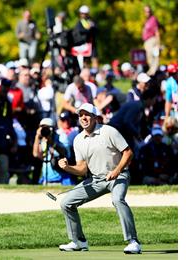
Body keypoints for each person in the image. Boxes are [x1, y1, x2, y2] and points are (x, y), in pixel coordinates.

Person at [57, 103, 141, 254]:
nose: (83, 117)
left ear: (95, 117)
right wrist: (67, 168)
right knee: (66, 203)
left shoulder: (108, 131)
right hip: (96, 180)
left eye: (87, 114)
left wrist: (117, 170)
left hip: (119, 175)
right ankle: (78, 241)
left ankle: (133, 241)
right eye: (81, 115)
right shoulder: (78, 139)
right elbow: (82, 169)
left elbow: (128, 153)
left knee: (117, 200)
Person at [142, 5, 160, 76]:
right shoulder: (147, 20)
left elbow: (157, 32)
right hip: (147, 41)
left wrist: (158, 43)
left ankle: (153, 72)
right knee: (149, 58)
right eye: (146, 11)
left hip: (152, 40)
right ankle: (152, 72)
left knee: (153, 56)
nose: (147, 13)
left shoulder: (153, 19)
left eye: (148, 11)